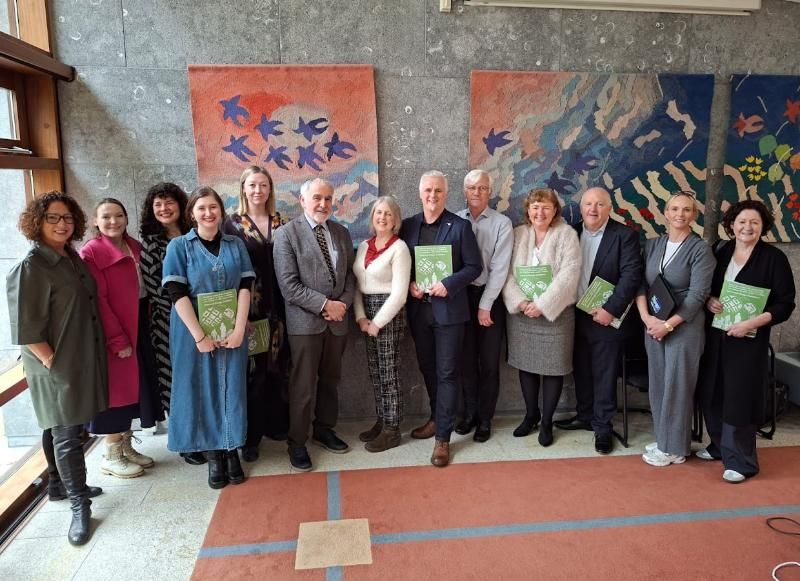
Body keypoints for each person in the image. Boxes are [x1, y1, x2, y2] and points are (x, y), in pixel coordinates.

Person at [6, 192, 107, 545]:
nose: (62, 224)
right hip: (55, 365)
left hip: (76, 357)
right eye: (53, 218)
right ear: (38, 221)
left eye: (67, 218)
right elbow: (26, 328)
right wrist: (53, 362)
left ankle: (58, 485)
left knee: (60, 425)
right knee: (67, 433)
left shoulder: (70, 259)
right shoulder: (30, 267)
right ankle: (80, 506)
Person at [162, 186, 254, 489]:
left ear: (221, 211)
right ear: (192, 213)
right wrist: (200, 336)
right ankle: (214, 456)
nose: (208, 213)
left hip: (231, 327)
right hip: (192, 332)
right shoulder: (179, 246)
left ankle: (232, 452)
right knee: (201, 390)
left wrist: (240, 328)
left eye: (213, 207)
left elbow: (245, 285)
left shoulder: (235, 244)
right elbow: (176, 293)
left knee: (231, 388)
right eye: (201, 208)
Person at [697, 200, 795, 483]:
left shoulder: (773, 258)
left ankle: (742, 462)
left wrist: (752, 323)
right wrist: (710, 301)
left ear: (763, 226)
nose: (747, 227)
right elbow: (710, 290)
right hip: (717, 335)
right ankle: (718, 446)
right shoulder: (722, 251)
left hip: (748, 340)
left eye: (754, 222)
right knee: (714, 391)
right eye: (741, 222)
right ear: (731, 225)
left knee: (739, 397)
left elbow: (785, 304)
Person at [400, 171, 482, 467]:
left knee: (448, 373)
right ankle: (436, 418)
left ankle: (443, 439)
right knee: (428, 368)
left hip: (450, 313)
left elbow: (474, 266)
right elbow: (402, 263)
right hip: (420, 312)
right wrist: (409, 283)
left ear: (445, 194)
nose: (432, 196)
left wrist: (449, 284)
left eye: (438, 191)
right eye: (427, 191)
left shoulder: (459, 227)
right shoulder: (408, 226)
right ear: (420, 193)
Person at [273, 178, 355, 472]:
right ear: (302, 200)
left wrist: (341, 305)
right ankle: (297, 442)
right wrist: (325, 305)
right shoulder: (286, 235)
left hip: (337, 323)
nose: (323, 204)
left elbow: (349, 279)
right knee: (303, 386)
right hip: (305, 325)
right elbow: (289, 286)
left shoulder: (342, 233)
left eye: (328, 199)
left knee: (331, 381)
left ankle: (324, 429)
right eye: (317, 198)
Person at [555, 187, 642, 454]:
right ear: (580, 207)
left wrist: (610, 309)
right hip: (575, 314)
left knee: (604, 373)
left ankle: (602, 427)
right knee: (581, 368)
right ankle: (584, 415)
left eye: (600, 205)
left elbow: (631, 276)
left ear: (609, 208)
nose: (593, 209)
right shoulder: (570, 232)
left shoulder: (624, 236)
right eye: (588, 204)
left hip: (605, 317)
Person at [635, 191, 715, 467]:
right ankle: (664, 439)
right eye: (674, 209)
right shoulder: (654, 244)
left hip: (683, 328)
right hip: (654, 325)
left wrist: (668, 324)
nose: (680, 214)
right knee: (659, 384)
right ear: (665, 213)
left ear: (694, 215)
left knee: (677, 387)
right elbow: (641, 284)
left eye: (687, 210)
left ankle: (676, 449)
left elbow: (697, 295)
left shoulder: (700, 249)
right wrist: (647, 319)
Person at [80, 198, 159, 479]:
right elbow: (97, 301)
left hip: (139, 324)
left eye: (119, 215)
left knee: (133, 392)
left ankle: (125, 446)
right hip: (115, 331)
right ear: (95, 221)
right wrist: (117, 338)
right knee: (115, 395)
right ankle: (111, 454)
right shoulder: (91, 253)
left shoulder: (134, 246)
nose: (113, 221)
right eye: (106, 217)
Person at [502, 188, 581, 448]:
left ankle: (546, 422)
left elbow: (569, 275)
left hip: (555, 315)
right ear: (528, 210)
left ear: (555, 210)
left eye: (546, 207)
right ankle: (530, 415)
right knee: (526, 366)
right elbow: (507, 273)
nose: (540, 212)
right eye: (535, 207)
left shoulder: (566, 235)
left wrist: (542, 304)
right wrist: (521, 302)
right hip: (522, 314)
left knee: (553, 368)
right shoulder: (518, 234)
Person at [223, 165, 290, 462]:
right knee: (253, 372)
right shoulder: (231, 225)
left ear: (270, 189)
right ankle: (250, 436)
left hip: (282, 307)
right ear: (243, 188)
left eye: (263, 185)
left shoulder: (282, 221)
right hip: (250, 308)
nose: (258, 191)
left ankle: (277, 425)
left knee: (278, 366)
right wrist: (239, 313)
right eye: (252, 185)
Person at [455, 170, 512, 442]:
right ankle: (469, 415)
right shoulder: (454, 219)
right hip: (460, 298)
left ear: (490, 192)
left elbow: (500, 269)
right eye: (471, 187)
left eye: (482, 188)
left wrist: (485, 305)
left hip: (490, 298)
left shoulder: (502, 223)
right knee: (466, 363)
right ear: (464, 191)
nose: (476, 192)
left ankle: (486, 419)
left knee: (489, 364)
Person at [353, 196, 411, 452]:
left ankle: (392, 428)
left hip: (388, 314)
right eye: (378, 212)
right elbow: (358, 284)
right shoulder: (364, 246)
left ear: (395, 219)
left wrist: (377, 322)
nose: (382, 217)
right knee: (375, 371)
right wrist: (360, 317)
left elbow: (399, 293)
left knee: (389, 372)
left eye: (388, 213)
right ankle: (382, 418)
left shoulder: (400, 248)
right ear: (372, 216)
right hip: (367, 313)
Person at [139, 183, 190, 443]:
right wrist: (189, 313)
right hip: (168, 322)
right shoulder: (150, 244)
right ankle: (183, 440)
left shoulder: (197, 234)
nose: (164, 209)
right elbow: (156, 290)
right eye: (157, 204)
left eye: (169, 202)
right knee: (174, 380)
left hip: (205, 318)